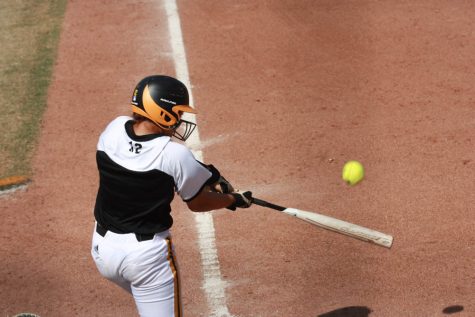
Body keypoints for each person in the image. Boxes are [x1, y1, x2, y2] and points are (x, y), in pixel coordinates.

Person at [91, 75, 252, 317]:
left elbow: (152, 156)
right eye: (177, 112)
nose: (179, 119)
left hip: (102, 251)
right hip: (145, 261)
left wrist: (211, 176)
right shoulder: (175, 155)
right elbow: (197, 203)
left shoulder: (114, 129)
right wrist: (233, 200)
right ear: (162, 112)